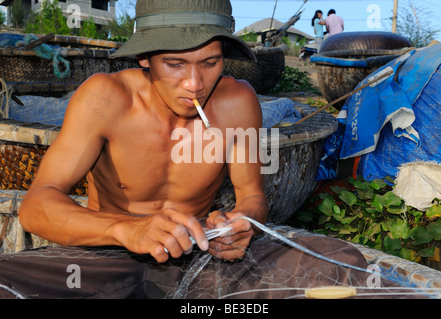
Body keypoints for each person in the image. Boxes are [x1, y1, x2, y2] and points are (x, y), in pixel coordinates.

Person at [0, 0, 394, 299]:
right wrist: (127, 229)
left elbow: (253, 197)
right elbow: (37, 207)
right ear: (144, 58)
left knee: (342, 265)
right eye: (175, 64)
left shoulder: (238, 102)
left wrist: (241, 225)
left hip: (199, 255)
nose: (194, 83)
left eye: (209, 62)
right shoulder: (105, 98)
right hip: (104, 255)